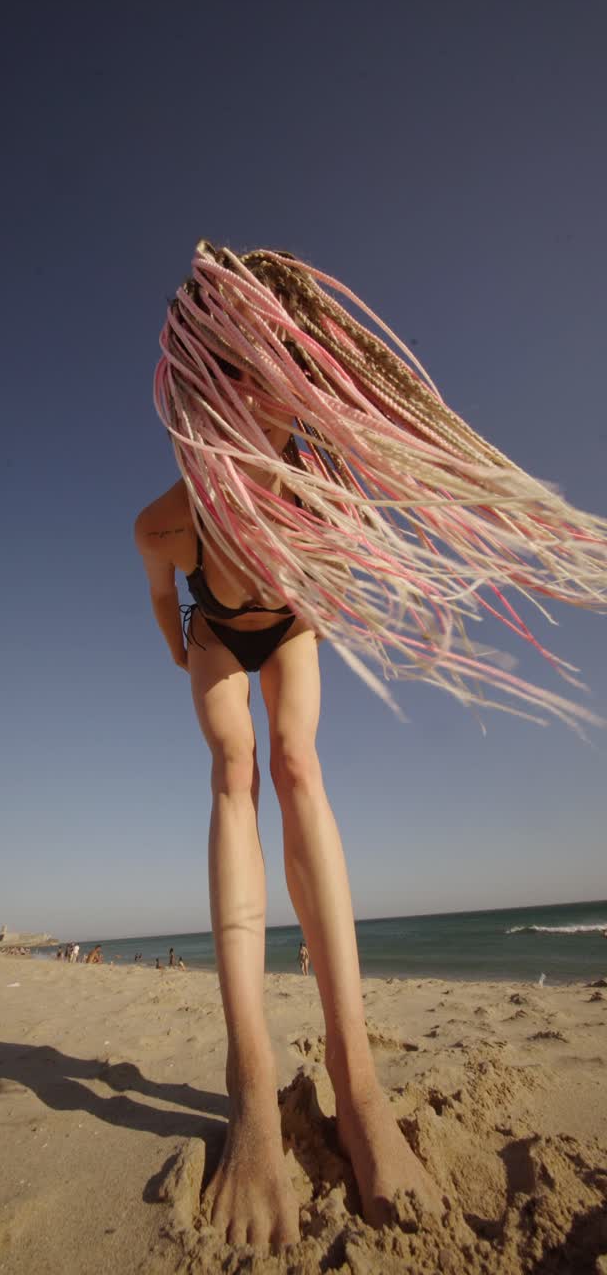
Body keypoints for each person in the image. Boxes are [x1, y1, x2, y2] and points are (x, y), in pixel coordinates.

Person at [136, 242, 607, 1248]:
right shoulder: (169, 521)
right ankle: (251, 1085)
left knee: (295, 761)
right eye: (244, 378)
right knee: (233, 769)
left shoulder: (320, 485)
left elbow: (350, 565)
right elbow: (162, 595)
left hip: (290, 622)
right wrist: (180, 643)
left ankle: (357, 1083)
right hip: (216, 630)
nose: (268, 398)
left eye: (282, 375)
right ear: (207, 389)